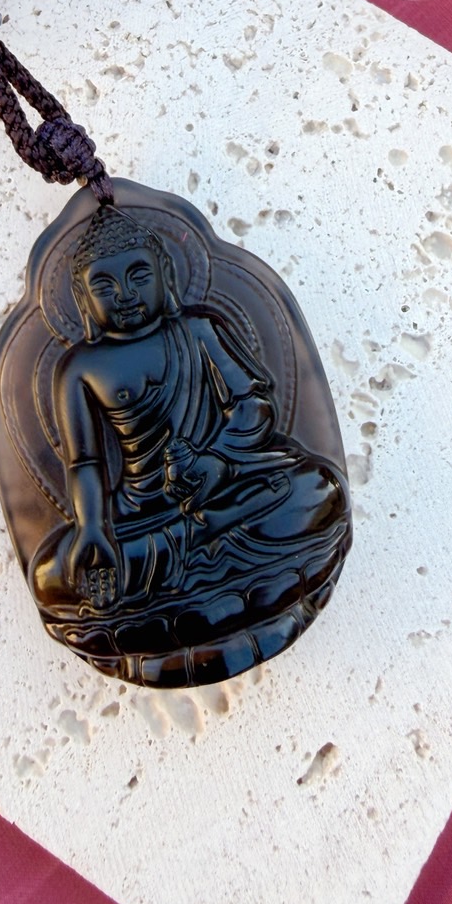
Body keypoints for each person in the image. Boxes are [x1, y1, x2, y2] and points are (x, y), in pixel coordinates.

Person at [29, 206, 351, 680]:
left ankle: (190, 560)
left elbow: (252, 404)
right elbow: (85, 462)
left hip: (227, 485)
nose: (125, 295)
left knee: (319, 489)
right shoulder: (79, 368)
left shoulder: (199, 330)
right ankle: (212, 550)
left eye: (139, 276)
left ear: (166, 273)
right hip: (143, 513)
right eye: (104, 286)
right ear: (81, 297)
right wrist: (94, 529)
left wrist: (217, 461)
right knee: (52, 574)